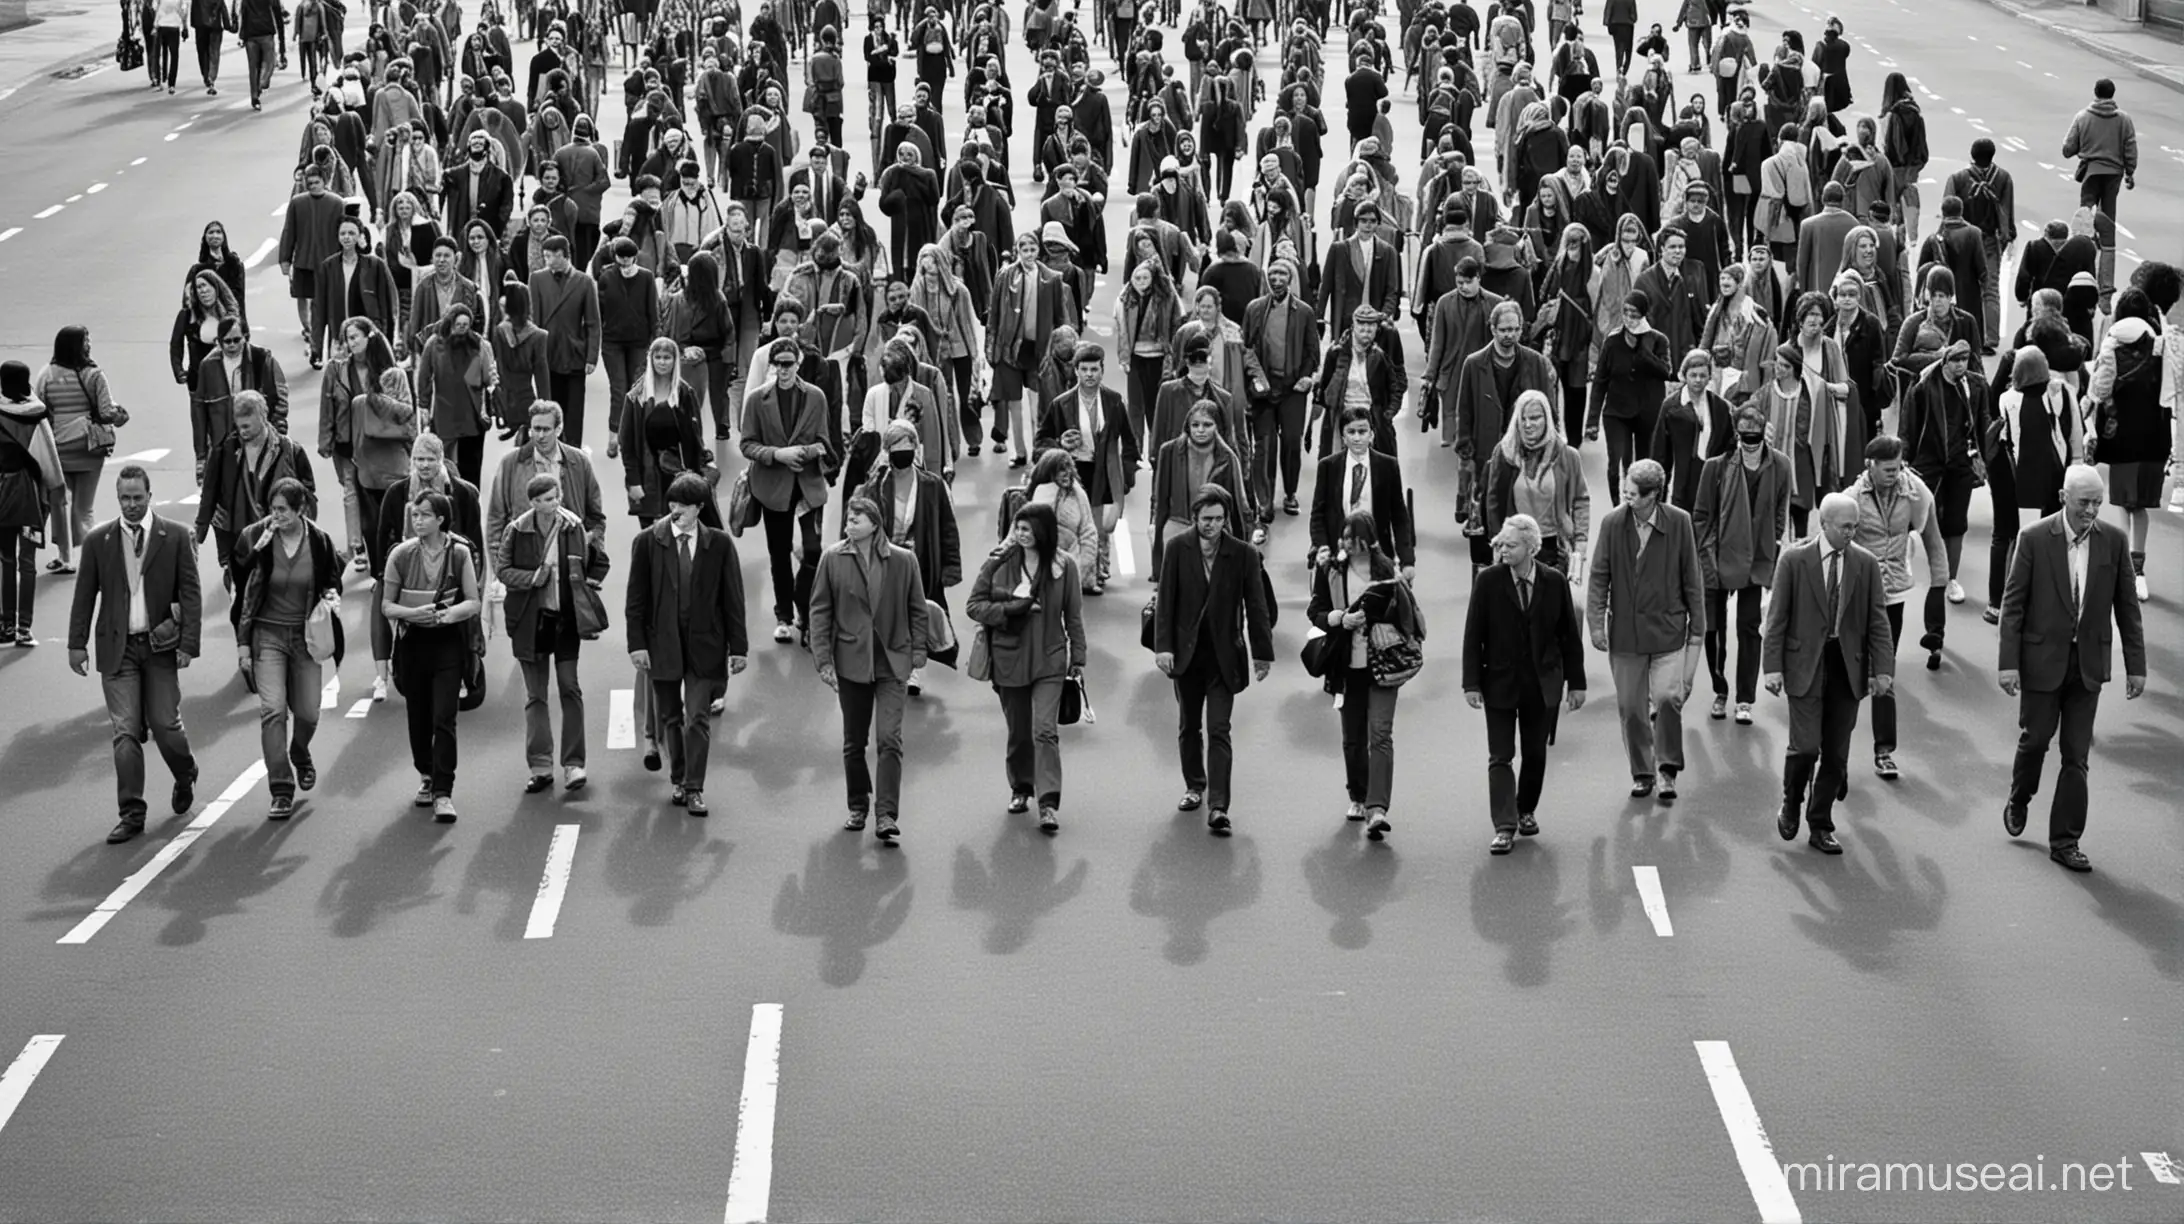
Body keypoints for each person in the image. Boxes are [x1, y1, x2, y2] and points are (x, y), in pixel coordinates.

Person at [1997, 465, 2147, 873]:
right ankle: (2020, 795)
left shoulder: (2114, 542)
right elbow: (2012, 606)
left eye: (2098, 502)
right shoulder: (2032, 539)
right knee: (2035, 740)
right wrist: (2008, 664)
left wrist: (2137, 666)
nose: (2093, 510)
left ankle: (2065, 841)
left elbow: (2127, 608)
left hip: (2088, 667)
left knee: (2076, 755)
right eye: (2085, 502)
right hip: (2042, 662)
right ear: (2064, 497)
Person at [67, 466, 201, 844]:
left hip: (159, 647)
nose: (130, 505)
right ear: (117, 497)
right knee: (125, 732)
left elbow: (190, 591)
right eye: (124, 498)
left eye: (137, 498)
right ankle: (131, 812)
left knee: (165, 725)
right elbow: (84, 596)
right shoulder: (99, 540)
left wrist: (189, 643)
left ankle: (185, 770)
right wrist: (76, 644)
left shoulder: (174, 536)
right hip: (118, 649)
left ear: (149, 494)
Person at [1762, 491, 1895, 855]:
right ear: (1824, 524)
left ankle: (1820, 823)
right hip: (1805, 665)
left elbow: (1878, 621)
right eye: (1845, 526)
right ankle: (1792, 801)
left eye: (1856, 526)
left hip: (1846, 667)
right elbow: (1777, 618)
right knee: (1805, 747)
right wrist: (1771, 667)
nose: (1852, 532)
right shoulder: (1793, 561)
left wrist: (1883, 669)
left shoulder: (1865, 564)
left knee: (1836, 755)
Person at [626, 472, 751, 816]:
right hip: (662, 644)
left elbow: (733, 600)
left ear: (699, 508)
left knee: (697, 717)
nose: (675, 509)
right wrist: (636, 645)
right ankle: (678, 778)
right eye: (672, 502)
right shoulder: (648, 542)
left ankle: (694, 787)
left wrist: (738, 647)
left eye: (683, 504)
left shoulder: (720, 544)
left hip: (705, 646)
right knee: (670, 717)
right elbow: (635, 599)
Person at [1463, 512, 1587, 856]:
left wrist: (1576, 684)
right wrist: (1471, 683)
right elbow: (1473, 634)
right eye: (1500, 543)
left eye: (1511, 545)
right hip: (1499, 683)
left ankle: (1525, 809)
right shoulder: (1487, 581)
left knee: (1534, 754)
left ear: (1531, 547)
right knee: (1500, 756)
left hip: (1541, 684)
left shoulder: (1555, 582)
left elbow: (1568, 637)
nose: (1503, 549)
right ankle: (1504, 826)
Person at [1152, 487, 1274, 834]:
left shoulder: (1243, 554)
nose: (1214, 526)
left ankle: (1219, 806)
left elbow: (1257, 605)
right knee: (1189, 726)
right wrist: (1164, 647)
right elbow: (1166, 600)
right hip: (1187, 657)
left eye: (1220, 519)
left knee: (1220, 729)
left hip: (1224, 657)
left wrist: (1262, 654)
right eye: (1207, 519)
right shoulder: (1177, 548)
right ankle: (1194, 786)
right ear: (1195, 518)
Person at [809, 494, 930, 843]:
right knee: (854, 743)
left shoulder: (904, 560)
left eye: (857, 518)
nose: (850, 523)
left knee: (889, 738)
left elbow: (917, 608)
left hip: (893, 661)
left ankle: (886, 814)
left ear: (875, 525)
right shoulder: (832, 559)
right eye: (848, 518)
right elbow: (820, 611)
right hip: (851, 663)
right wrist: (823, 659)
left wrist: (918, 650)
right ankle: (857, 804)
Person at [1585, 458, 1705, 803]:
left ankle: (1667, 769)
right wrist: (1596, 624)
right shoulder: (1612, 524)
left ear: (1654, 495)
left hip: (1668, 631)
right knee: (1631, 708)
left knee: (1668, 699)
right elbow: (1599, 577)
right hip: (1625, 635)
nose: (1628, 500)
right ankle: (1642, 772)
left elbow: (1692, 578)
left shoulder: (1679, 523)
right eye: (1626, 493)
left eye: (1635, 495)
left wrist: (1698, 627)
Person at [965, 500, 1088, 833]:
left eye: (1028, 529)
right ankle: (1021, 787)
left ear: (1043, 531)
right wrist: (1008, 610)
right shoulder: (999, 564)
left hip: (1049, 659)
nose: (1021, 534)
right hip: (1009, 659)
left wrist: (1078, 656)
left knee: (1045, 730)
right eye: (1018, 528)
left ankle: (1048, 802)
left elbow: (1073, 616)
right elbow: (974, 606)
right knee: (1019, 732)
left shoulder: (1065, 567)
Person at [1307, 508, 1422, 839]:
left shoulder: (1387, 572)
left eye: (1353, 537)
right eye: (1344, 536)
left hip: (1382, 665)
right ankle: (1357, 795)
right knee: (1353, 738)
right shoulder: (1331, 571)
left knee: (1381, 735)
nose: (1346, 543)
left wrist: (1380, 615)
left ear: (1369, 540)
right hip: (1346, 667)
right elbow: (1315, 610)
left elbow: (1407, 618)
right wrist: (1338, 618)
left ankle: (1377, 808)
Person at [232, 477, 342, 819]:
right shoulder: (256, 535)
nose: (275, 516)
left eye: (283, 510)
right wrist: (257, 550)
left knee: (308, 712)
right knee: (273, 710)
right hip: (267, 635)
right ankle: (281, 789)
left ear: (301, 510)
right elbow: (238, 581)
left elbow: (331, 578)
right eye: (272, 509)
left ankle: (300, 751)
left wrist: (332, 595)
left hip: (306, 636)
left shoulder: (320, 541)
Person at [499, 470, 609, 795]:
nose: (553, 503)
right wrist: (531, 578)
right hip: (529, 622)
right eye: (545, 499)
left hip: (565, 621)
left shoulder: (573, 526)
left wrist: (587, 583)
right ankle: (540, 766)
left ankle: (574, 764)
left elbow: (598, 561)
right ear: (532, 502)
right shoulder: (517, 530)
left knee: (570, 688)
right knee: (535, 696)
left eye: (555, 497)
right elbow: (503, 569)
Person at [382, 489, 483, 822]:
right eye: (414, 515)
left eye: (424, 515)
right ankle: (425, 773)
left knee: (444, 716)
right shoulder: (400, 554)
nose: (417, 521)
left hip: (447, 643)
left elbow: (472, 600)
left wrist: (446, 615)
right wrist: (415, 614)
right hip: (412, 643)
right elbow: (387, 605)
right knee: (419, 716)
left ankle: (443, 791)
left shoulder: (459, 554)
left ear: (441, 519)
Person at [1691, 404, 1792, 725]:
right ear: (1736, 434)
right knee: (1714, 630)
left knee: (1749, 629)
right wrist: (1705, 555)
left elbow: (1781, 510)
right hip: (1717, 559)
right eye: (1745, 436)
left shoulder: (1780, 465)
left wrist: (1773, 545)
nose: (1751, 442)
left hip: (1757, 560)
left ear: (1765, 433)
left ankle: (1745, 699)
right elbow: (1702, 516)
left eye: (1757, 436)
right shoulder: (1715, 468)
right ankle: (1721, 690)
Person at [856, 419, 961, 696]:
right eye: (895, 447)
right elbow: (860, 524)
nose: (901, 451)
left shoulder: (932, 485)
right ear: (887, 451)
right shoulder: (876, 485)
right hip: (884, 561)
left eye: (906, 445)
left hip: (920, 562)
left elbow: (948, 528)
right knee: (884, 615)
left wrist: (950, 567)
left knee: (915, 613)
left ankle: (911, 669)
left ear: (916, 448)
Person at [741, 337, 836, 642]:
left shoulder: (816, 397)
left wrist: (804, 453)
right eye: (778, 363)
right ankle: (784, 615)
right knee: (779, 553)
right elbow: (747, 444)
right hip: (773, 487)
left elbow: (825, 442)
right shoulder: (757, 399)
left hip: (807, 485)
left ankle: (804, 611)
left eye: (788, 363)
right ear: (772, 365)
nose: (783, 369)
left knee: (812, 551)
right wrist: (777, 455)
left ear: (798, 364)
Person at [1985, 346, 2082, 626]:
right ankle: (2049, 604)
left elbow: (2005, 436)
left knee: (2005, 536)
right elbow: (2075, 433)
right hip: (2056, 477)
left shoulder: (2007, 398)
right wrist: (2075, 467)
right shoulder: (2062, 392)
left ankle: (1998, 603)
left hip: (2013, 477)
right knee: (2055, 539)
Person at [1035, 342, 1138, 594]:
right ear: (1076, 372)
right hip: (1072, 472)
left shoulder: (1113, 401)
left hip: (1105, 470)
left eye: (1094, 369)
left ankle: (1099, 568)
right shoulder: (1061, 404)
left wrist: (1127, 475)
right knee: (1075, 523)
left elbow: (1129, 441)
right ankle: (1075, 571)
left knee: (1100, 525)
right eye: (1084, 369)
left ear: (1102, 371)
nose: (1090, 374)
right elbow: (1040, 441)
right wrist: (1060, 443)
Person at [195, 390, 317, 594]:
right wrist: (200, 530)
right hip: (236, 535)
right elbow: (210, 491)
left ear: (263, 416)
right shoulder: (225, 449)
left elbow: (307, 493)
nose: (241, 431)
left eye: (246, 426)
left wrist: (304, 527)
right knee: (240, 594)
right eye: (238, 425)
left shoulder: (290, 450)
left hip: (277, 535)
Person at [34, 327, 124, 576]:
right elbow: (106, 412)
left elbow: (39, 409)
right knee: (84, 508)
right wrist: (119, 413)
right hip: (89, 448)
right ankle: (91, 558)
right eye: (86, 340)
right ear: (79, 345)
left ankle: (65, 558)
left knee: (60, 502)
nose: (89, 344)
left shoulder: (46, 375)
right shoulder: (95, 375)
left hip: (59, 449)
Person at [1241, 257, 1321, 518]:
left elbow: (1313, 352)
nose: (1276, 280)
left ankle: (1290, 493)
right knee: (1264, 446)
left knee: (1290, 443)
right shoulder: (1254, 308)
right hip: (1262, 390)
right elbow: (1246, 348)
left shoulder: (1305, 312)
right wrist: (1253, 381)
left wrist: (1306, 376)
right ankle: (1264, 501)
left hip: (1292, 390)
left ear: (1291, 279)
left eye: (1282, 275)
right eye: (1272, 275)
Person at [1480, 389, 1589, 576]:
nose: (1528, 424)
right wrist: (1499, 540)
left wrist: (1580, 543)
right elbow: (1493, 501)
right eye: (1523, 419)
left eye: (1535, 418)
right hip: (1516, 547)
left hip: (1555, 548)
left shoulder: (1567, 455)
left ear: (1547, 418)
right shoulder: (1504, 453)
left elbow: (1581, 500)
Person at [1586, 290, 1675, 504]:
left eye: (1634, 314)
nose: (1629, 318)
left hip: (1647, 413)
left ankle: (1644, 506)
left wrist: (1643, 350)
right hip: (1617, 411)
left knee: (1644, 466)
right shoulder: (1612, 341)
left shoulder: (1658, 340)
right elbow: (1600, 381)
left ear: (1644, 315)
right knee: (1615, 464)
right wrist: (1592, 420)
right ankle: (1618, 507)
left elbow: (1666, 371)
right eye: (1625, 313)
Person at [1310, 407, 1415, 578]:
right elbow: (1318, 514)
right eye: (1351, 432)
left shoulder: (1388, 466)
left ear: (1371, 435)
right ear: (1343, 437)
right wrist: (1322, 546)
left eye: (1362, 431)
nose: (1357, 438)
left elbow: (1399, 516)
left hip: (1378, 556)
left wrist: (1407, 561)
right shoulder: (1328, 467)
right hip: (1338, 557)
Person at [0, 361, 62, 646]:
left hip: (1, 499)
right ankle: (25, 628)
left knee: (5, 561)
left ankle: (5, 626)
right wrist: (53, 494)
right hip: (29, 501)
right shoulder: (36, 416)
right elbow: (50, 467)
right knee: (27, 562)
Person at [527, 235, 603, 446]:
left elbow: (593, 322)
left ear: (563, 255)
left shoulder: (585, 282)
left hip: (575, 354)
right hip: (548, 353)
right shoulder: (537, 279)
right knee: (550, 407)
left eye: (550, 256)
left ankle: (574, 453)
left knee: (574, 411)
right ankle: (549, 449)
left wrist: (591, 357)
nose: (546, 260)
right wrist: (533, 354)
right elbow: (533, 320)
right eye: (545, 256)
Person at [2060, 79, 2136, 227]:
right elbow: (2130, 147)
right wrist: (2130, 172)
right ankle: (2107, 245)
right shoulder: (2124, 120)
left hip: (2091, 170)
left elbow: (2068, 148)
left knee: (2085, 210)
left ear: (2095, 92)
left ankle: (2084, 241)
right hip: (2114, 172)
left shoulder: (2083, 117)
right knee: (2108, 211)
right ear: (2113, 94)